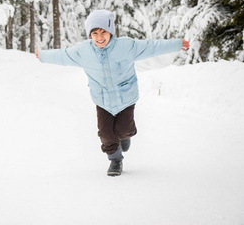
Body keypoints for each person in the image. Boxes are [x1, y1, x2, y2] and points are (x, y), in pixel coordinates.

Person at [36, 9, 190, 176]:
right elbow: (62, 55)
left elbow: (151, 47)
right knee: (105, 133)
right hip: (102, 100)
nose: (100, 37)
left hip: (126, 96)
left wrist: (177, 44)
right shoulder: (83, 52)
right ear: (90, 35)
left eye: (103, 31)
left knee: (123, 129)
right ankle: (115, 160)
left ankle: (125, 136)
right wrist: (43, 56)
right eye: (95, 33)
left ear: (111, 32)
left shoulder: (126, 46)